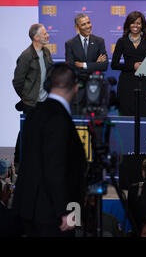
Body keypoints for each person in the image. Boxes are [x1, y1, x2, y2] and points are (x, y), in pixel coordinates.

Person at [12, 63, 87, 237]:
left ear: (49, 84)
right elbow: (55, 168)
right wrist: (65, 212)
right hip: (50, 214)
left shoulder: (35, 112)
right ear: (76, 87)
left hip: (30, 209)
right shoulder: (59, 118)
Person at [12, 24, 53, 169]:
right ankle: (18, 161)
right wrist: (25, 96)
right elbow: (17, 81)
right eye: (45, 33)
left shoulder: (47, 52)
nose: (48, 35)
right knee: (27, 131)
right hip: (31, 102)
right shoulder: (26, 56)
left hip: (46, 100)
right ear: (36, 37)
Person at [111, 11, 146, 117]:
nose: (135, 26)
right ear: (128, 24)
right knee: (126, 119)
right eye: (132, 23)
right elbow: (114, 64)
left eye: (138, 23)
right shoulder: (122, 41)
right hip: (126, 86)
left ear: (142, 25)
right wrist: (132, 66)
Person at [65, 13, 108, 115]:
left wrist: (84, 65)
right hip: (78, 93)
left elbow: (104, 66)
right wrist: (95, 64)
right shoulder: (70, 44)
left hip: (96, 91)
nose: (88, 26)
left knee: (95, 128)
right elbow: (72, 68)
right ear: (77, 27)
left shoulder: (99, 41)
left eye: (88, 22)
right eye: (83, 24)